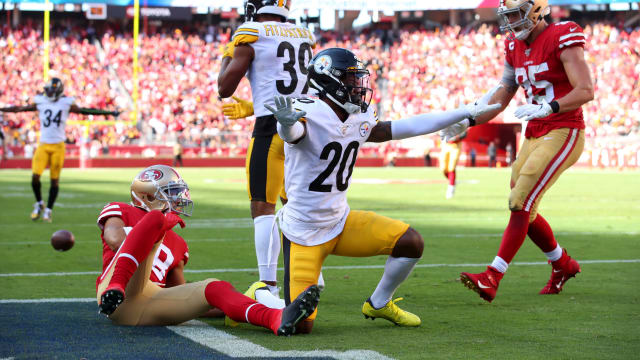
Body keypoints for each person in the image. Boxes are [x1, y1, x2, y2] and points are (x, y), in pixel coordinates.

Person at [265, 48, 500, 333]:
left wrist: (465, 111)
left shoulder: (357, 116)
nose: (359, 86)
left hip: (340, 222)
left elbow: (405, 127)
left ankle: (379, 302)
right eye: (351, 79)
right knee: (301, 327)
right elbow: (295, 134)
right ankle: (259, 295)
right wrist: (285, 125)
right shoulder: (306, 111)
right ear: (329, 81)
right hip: (303, 233)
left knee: (411, 242)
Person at [441, 0, 593, 302]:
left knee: (520, 199)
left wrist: (548, 107)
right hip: (535, 133)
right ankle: (562, 264)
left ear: (536, 10)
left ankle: (492, 275)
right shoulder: (514, 47)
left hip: (563, 128)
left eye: (515, 14)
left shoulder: (563, 34)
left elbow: (586, 89)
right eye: (506, 15)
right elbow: (502, 95)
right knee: (524, 204)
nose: (510, 21)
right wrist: (468, 121)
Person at [96, 164, 320, 335]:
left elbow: (179, 293)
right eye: (170, 192)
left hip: (147, 303)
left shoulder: (177, 243)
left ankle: (274, 318)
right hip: (117, 290)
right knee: (154, 220)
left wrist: (230, 302)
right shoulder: (123, 210)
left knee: (214, 287)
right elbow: (115, 239)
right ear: (147, 196)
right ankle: (116, 286)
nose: (178, 198)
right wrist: (159, 227)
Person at [217, 0, 320, 296]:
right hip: (304, 127)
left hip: (269, 128)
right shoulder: (302, 33)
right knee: (296, 204)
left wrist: (227, 54)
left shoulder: (251, 32)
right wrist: (254, 105)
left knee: (262, 207)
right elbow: (297, 86)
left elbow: (224, 88)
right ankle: (313, 274)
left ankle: (269, 284)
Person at [0, 78, 119, 223]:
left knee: (54, 180)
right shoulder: (40, 101)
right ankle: (39, 203)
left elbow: (84, 111)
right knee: (35, 177)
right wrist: (3, 108)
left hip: (58, 146)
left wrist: (109, 113)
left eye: (51, 91)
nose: (49, 93)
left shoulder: (66, 102)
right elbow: (20, 108)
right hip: (43, 145)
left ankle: (48, 210)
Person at [439, 129, 466, 199]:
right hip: (446, 144)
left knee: (451, 167)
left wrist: (458, 137)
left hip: (456, 145)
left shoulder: (460, 120)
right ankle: (453, 181)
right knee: (443, 168)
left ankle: (451, 188)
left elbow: (465, 133)